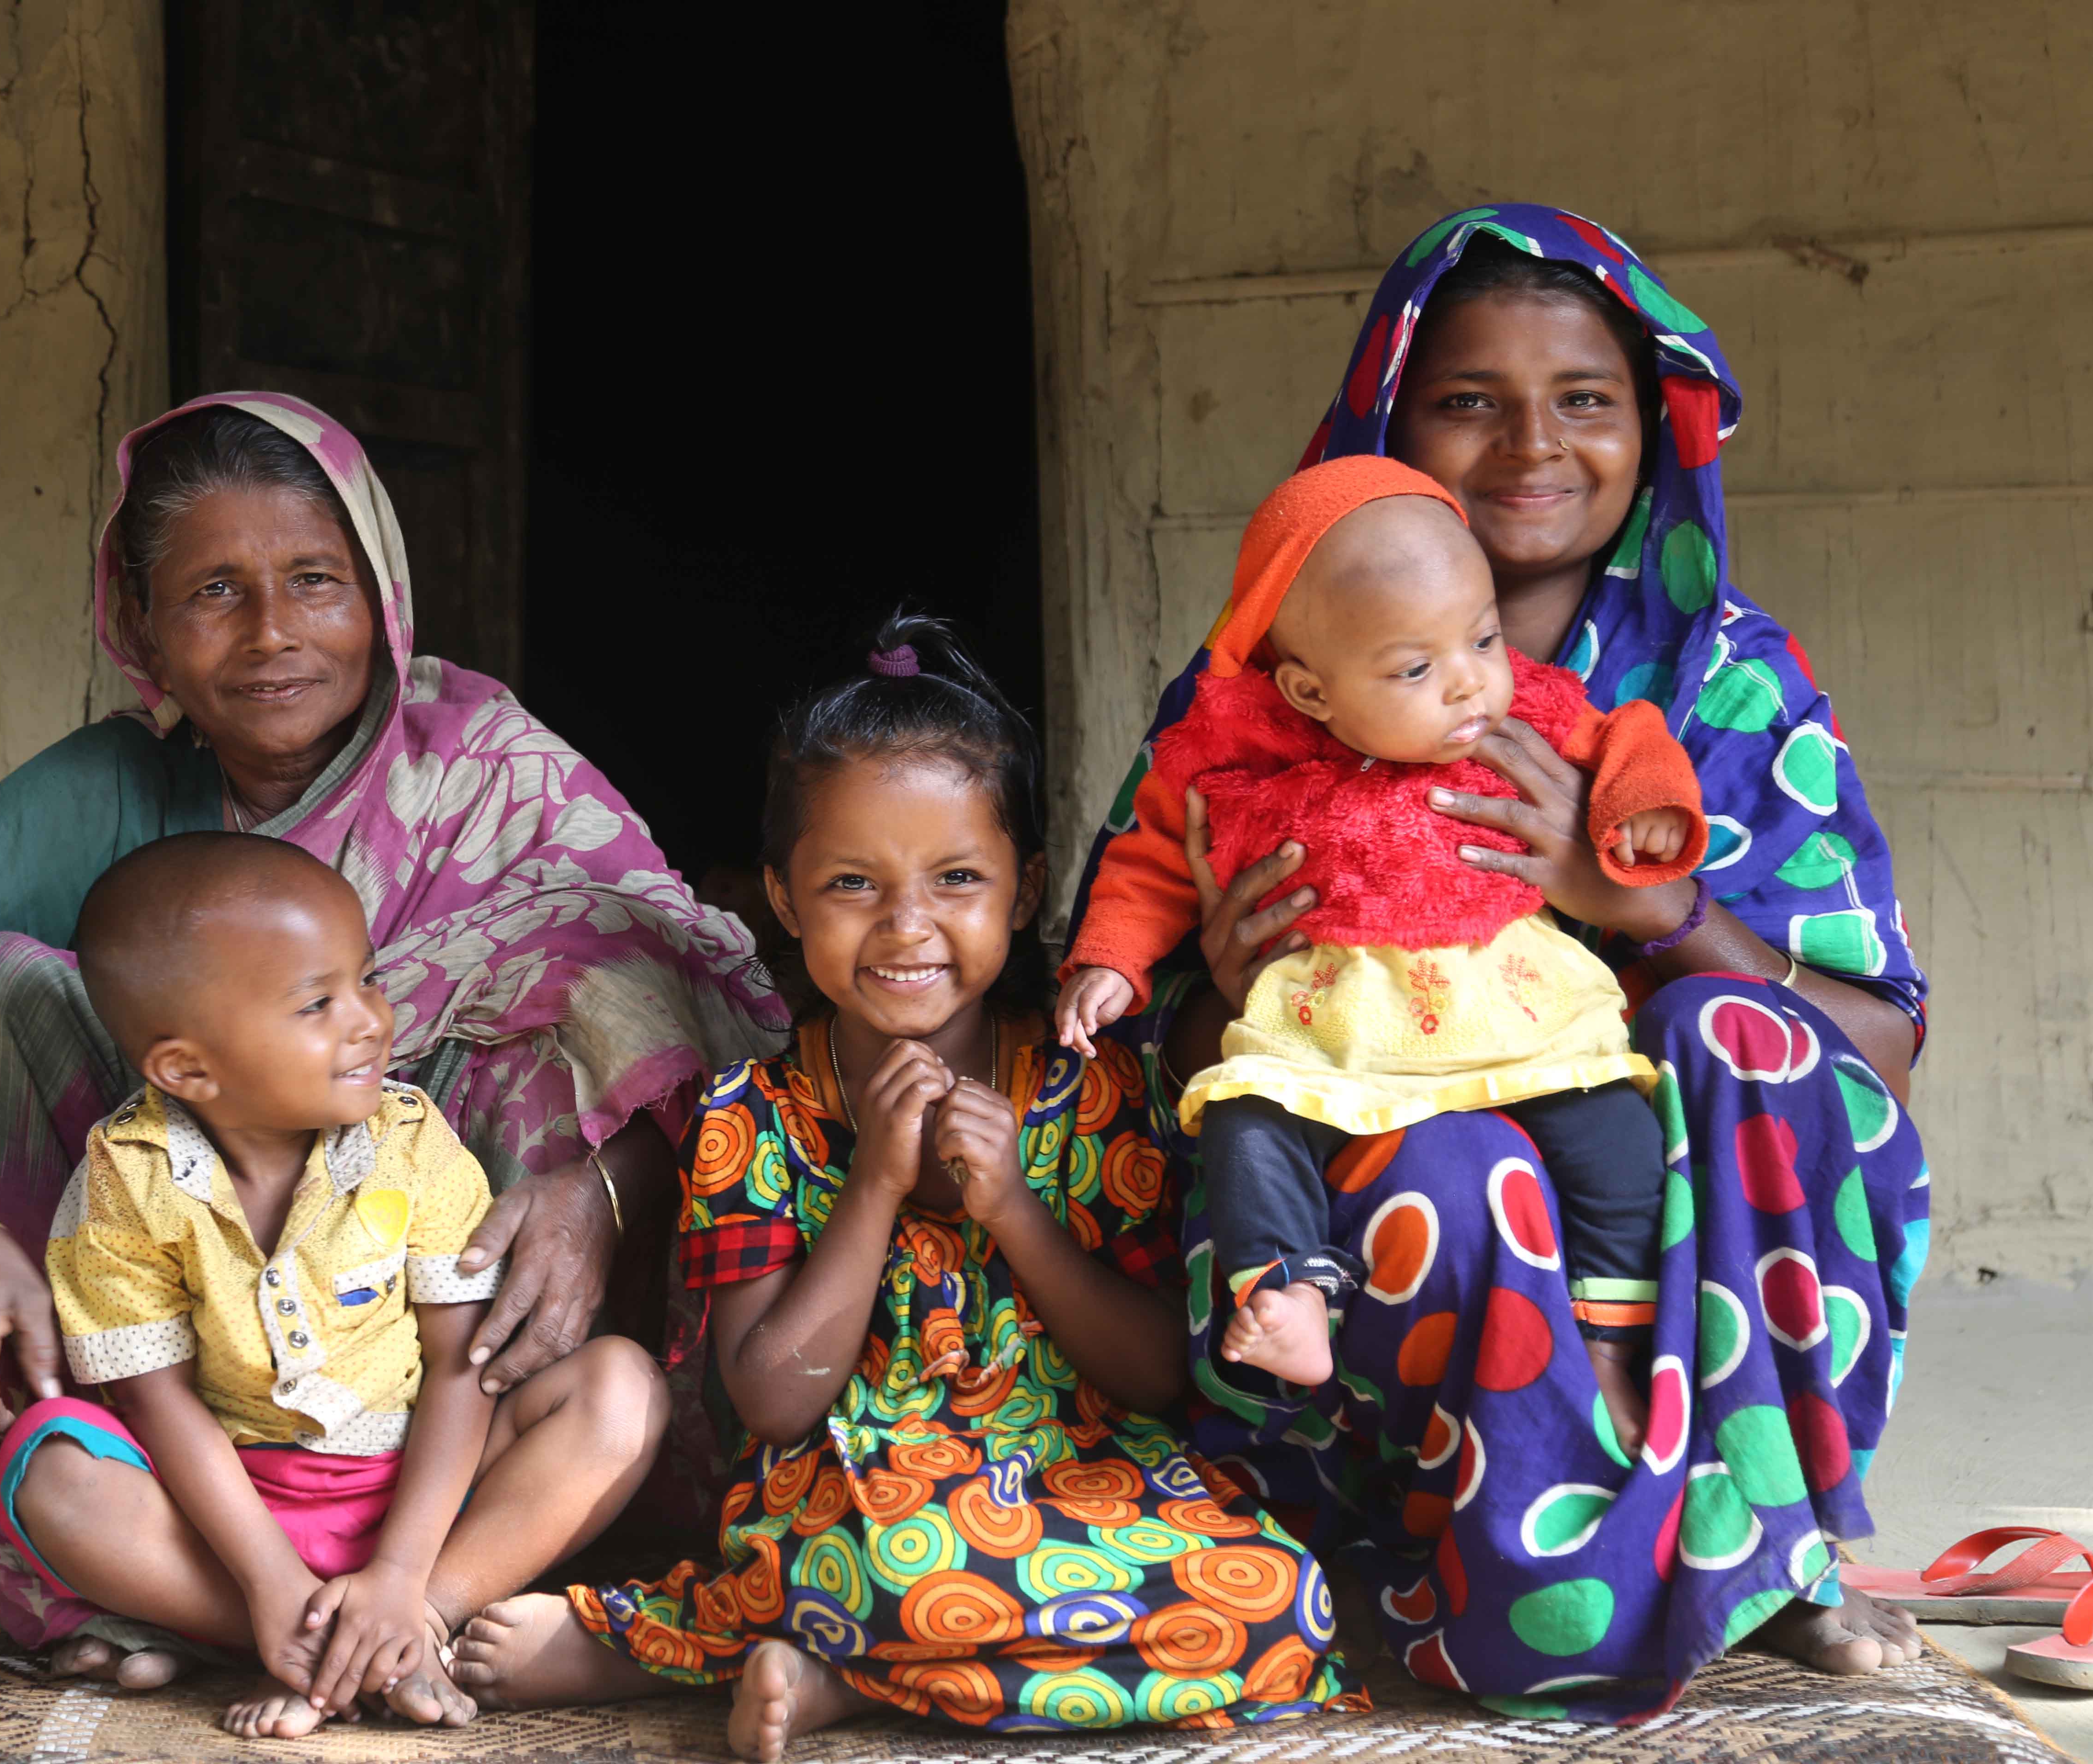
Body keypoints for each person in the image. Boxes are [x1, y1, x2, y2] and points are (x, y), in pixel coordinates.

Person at [0, 393, 788, 1683]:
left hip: (436, 1387)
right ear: (142, 629)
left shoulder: (482, 763)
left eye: (314, 581)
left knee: (590, 976)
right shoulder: (108, 793)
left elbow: (688, 997)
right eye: (214, 593)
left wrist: (608, 1193)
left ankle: (437, 1574)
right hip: (186, 1393)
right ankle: (264, 1607)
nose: (274, 633)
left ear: (386, 600)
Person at [1068, 209, 1932, 1720]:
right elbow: (1127, 1027)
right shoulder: (1261, 695)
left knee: (1751, 1041)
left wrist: (1639, 907)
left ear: (1650, 426)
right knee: (1452, 1170)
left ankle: (1763, 1547)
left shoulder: (1724, 684)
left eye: (1585, 397)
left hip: (1643, 1170)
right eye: (1470, 399)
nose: (1535, 443)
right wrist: (1218, 975)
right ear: (1390, 426)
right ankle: (1442, 1553)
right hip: (1376, 1167)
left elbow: (1877, 1053)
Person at [443, 616, 1358, 1761]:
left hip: (1083, 1478)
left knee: (1283, 1608)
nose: (907, 926)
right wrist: (874, 1183)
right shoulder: (754, 1116)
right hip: (855, 1499)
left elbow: (1155, 1374)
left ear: (1025, 892)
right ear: (782, 898)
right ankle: (855, 1647)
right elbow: (773, 1399)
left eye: (959, 879)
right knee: (891, 1568)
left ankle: (826, 1676)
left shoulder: (1091, 1085)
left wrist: (1017, 1214)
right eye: (852, 884)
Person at [1059, 457, 1702, 1449]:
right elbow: (1151, 861)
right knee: (1248, 1124)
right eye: (1415, 668)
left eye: (1483, 637)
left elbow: (1628, 736)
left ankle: (1612, 1348)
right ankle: (1289, 1301)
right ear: (1310, 690)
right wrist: (1112, 957)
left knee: (1618, 1137)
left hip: (1512, 1009)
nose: (1469, 682)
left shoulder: (1522, 707)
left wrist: (1646, 803)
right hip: (1334, 1020)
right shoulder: (1233, 746)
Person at [0, 833, 667, 1738]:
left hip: (427, 1505)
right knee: (52, 1470)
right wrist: (270, 1578)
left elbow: (463, 1366)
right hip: (233, 1519)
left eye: (368, 981)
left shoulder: (409, 1141)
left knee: (620, 1387)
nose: (370, 1022)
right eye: (319, 1003)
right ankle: (318, 1641)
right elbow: (158, 1404)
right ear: (188, 1069)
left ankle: (415, 1620)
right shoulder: (128, 1176)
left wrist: (400, 1577)